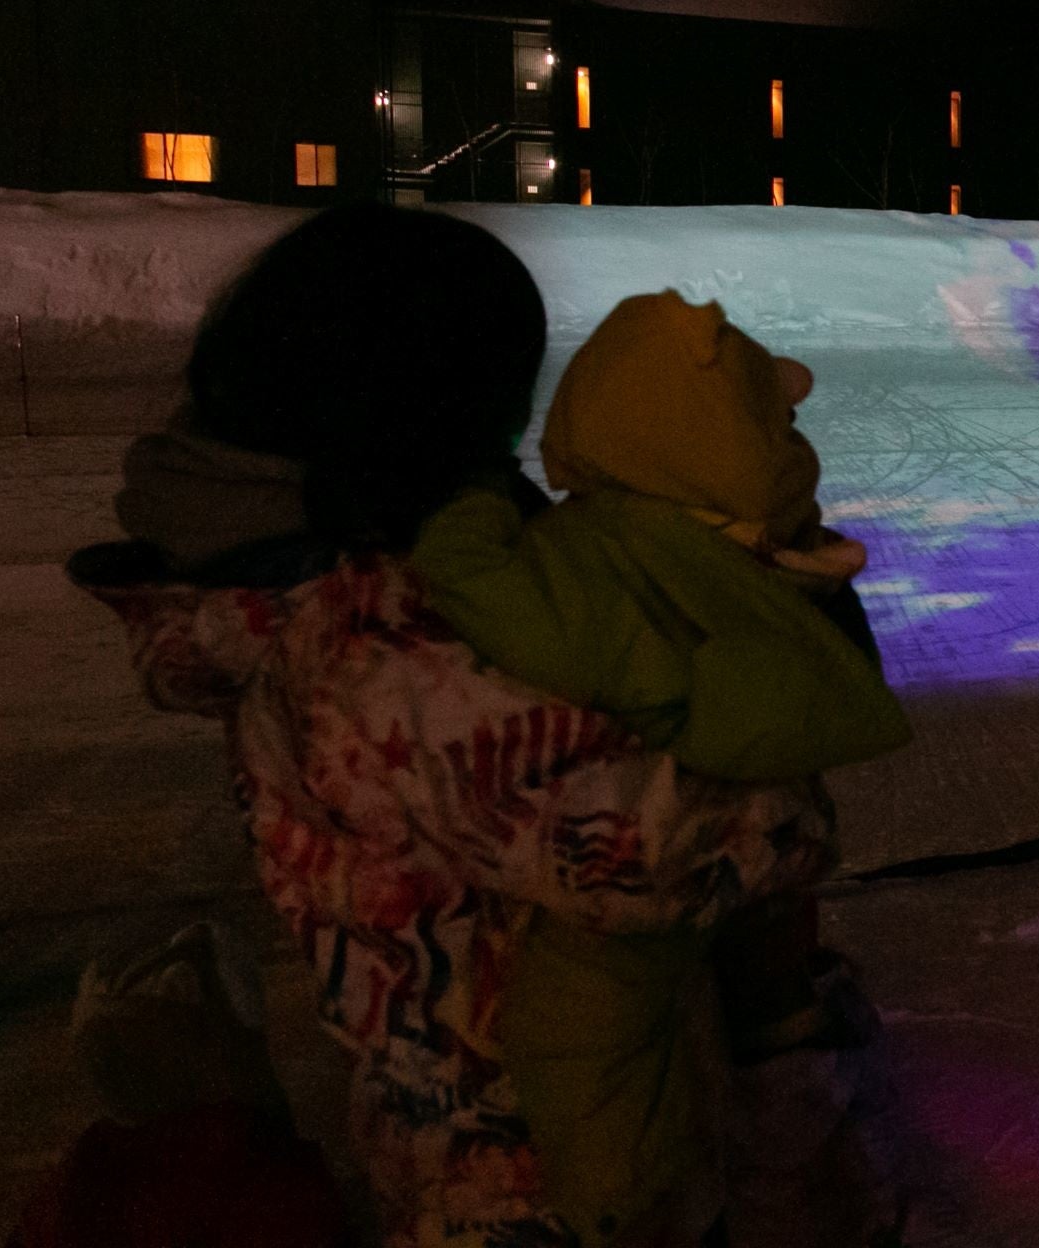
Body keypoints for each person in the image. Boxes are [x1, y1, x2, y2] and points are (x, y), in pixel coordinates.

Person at [67, 205, 853, 1247]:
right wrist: (783, 749)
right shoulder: (377, 644)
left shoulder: (332, 584)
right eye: (501, 404)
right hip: (528, 1183)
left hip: (512, 1122)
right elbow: (650, 850)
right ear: (420, 410)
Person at [408, 290, 912, 1243]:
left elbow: (487, 589)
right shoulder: (745, 537)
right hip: (737, 808)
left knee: (587, 1025)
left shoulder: (596, 559)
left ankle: (625, 1197)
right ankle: (775, 1163)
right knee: (746, 1009)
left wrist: (469, 508)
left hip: (648, 850)